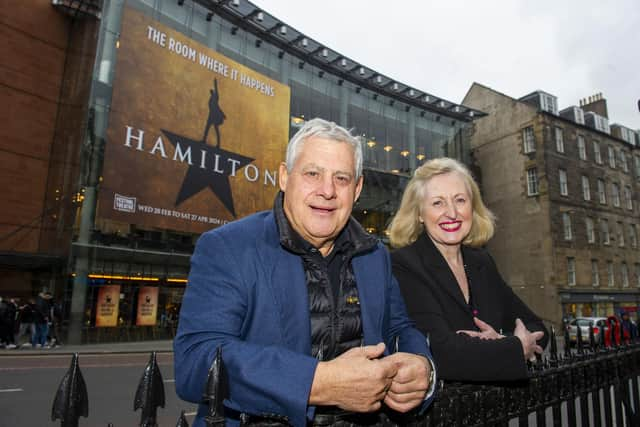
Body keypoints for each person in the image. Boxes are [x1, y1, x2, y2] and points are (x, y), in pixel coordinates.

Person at [175, 118, 435, 427]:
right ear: (285, 177)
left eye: (341, 178)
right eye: (313, 173)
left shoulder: (375, 255)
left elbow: (399, 329)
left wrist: (422, 367)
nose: (327, 191)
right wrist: (318, 383)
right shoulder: (228, 247)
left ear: (357, 189)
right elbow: (196, 360)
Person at [389, 157, 548, 382]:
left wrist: (500, 341)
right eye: (438, 203)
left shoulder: (482, 262)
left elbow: (537, 327)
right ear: (419, 214)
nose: (452, 213)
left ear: (472, 208)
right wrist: (514, 347)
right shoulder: (404, 264)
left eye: (460, 200)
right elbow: (439, 351)